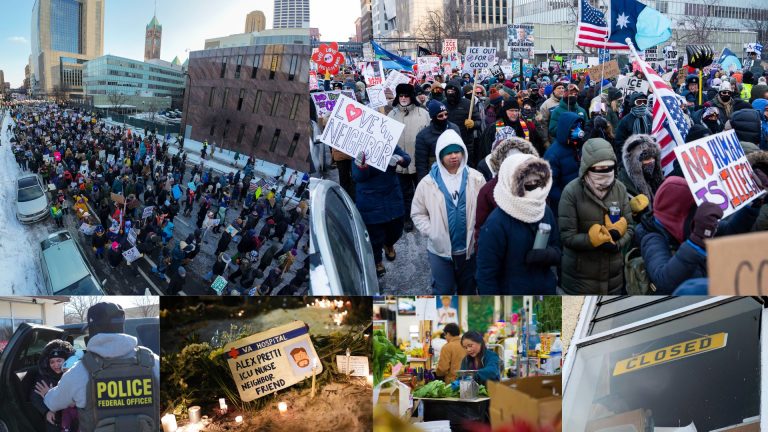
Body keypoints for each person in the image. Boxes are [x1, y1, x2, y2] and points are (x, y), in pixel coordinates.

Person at [37, 302, 159, 432]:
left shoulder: (79, 371)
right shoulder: (152, 362)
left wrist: (47, 394)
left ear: (93, 329)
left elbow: (53, 403)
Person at [411, 129, 486, 294]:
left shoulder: (476, 178)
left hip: (469, 252)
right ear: (440, 155)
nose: (454, 156)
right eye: (449, 153)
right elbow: (418, 213)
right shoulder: (428, 183)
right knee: (443, 291)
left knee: (468, 290)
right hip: (440, 252)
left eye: (457, 151)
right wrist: (432, 232)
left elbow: (485, 210)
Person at [476, 153, 561, 294]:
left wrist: (546, 255)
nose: (534, 189)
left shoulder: (544, 211)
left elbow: (558, 250)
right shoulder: (496, 223)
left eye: (538, 183)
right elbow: (486, 276)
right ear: (511, 183)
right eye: (528, 184)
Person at [559, 137, 634, 295]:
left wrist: (617, 242)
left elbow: (630, 227)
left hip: (614, 278)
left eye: (609, 168)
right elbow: (566, 236)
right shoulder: (571, 192)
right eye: (600, 169)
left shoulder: (620, 189)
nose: (606, 173)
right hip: (580, 279)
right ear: (587, 168)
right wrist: (591, 240)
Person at [352, 145, 411, 277]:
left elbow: (407, 159)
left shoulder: (388, 143)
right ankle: (377, 261)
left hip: (392, 195)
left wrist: (400, 159)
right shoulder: (358, 148)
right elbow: (357, 177)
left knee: (397, 229)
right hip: (370, 199)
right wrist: (362, 167)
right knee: (374, 236)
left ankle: (389, 243)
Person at [388, 83, 431, 232]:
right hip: (399, 162)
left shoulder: (423, 113)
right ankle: (407, 218)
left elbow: (429, 135)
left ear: (411, 97)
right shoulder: (391, 114)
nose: (404, 98)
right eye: (401, 95)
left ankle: (424, 216)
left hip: (419, 161)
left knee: (422, 190)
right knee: (404, 193)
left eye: (406, 95)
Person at [543, 112, 585, 216]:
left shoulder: (575, 146)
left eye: (579, 127)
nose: (579, 131)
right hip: (562, 207)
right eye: (574, 127)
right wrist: (567, 200)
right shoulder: (552, 155)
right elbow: (550, 186)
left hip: (578, 202)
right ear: (565, 129)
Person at [31, 340, 77, 432]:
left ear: (66, 360)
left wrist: (50, 394)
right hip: (55, 419)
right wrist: (46, 412)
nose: (56, 365)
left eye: (59, 360)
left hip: (74, 418)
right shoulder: (44, 377)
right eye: (52, 362)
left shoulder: (74, 375)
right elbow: (34, 397)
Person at [415, 100, 461, 180]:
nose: (444, 117)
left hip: (455, 173)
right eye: (440, 116)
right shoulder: (423, 136)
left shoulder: (455, 128)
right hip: (435, 176)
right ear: (433, 117)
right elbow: (421, 164)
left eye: (446, 114)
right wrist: (424, 181)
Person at [617, 134, 663, 212]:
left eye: (653, 157)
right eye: (646, 158)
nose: (651, 161)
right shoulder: (623, 186)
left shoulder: (655, 179)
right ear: (633, 163)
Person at [444, 79, 481, 166]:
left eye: (453, 91)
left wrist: (473, 124)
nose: (450, 93)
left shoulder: (468, 104)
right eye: (448, 91)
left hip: (466, 143)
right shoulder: (443, 105)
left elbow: (479, 122)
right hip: (448, 142)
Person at [614, 92, 652, 164]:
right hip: (631, 159)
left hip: (648, 158)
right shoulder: (625, 121)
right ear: (633, 104)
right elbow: (619, 142)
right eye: (639, 102)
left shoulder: (649, 118)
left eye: (644, 102)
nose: (642, 105)